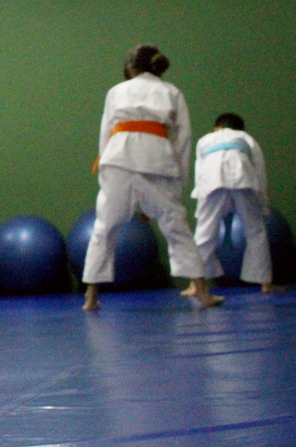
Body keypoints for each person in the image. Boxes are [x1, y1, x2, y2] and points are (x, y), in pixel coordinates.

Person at [83, 45, 221, 311]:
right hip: (157, 157)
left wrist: (103, 160)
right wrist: (180, 176)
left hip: (118, 157)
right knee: (175, 224)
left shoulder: (116, 91)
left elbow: (106, 129)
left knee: (105, 226)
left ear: (131, 67)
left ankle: (90, 297)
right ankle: (202, 292)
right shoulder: (171, 91)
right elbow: (183, 136)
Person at [184, 112, 276, 294]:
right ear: (240, 129)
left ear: (215, 128)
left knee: (204, 232)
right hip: (243, 178)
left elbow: (199, 171)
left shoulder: (205, 140)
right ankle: (265, 282)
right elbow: (259, 170)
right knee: (256, 231)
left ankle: (195, 284)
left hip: (212, 181)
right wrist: (262, 203)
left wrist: (200, 203)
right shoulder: (247, 138)